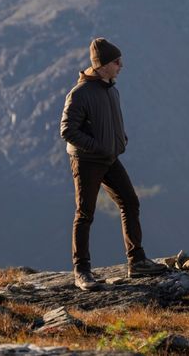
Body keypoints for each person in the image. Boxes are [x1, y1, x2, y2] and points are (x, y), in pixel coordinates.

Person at [60, 38, 167, 290]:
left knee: (130, 202)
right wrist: (98, 147)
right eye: (117, 61)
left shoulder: (111, 90)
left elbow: (112, 123)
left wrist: (120, 141)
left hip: (109, 159)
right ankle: (82, 272)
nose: (121, 65)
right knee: (84, 214)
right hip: (86, 161)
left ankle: (137, 262)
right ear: (103, 65)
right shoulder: (80, 93)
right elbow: (67, 130)